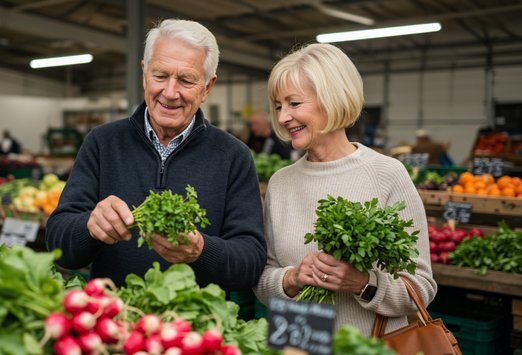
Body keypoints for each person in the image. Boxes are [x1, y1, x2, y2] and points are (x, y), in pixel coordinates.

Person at [45, 19, 266, 291]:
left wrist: (201, 251)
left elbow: (251, 263)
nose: (170, 92)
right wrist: (89, 227)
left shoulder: (234, 156)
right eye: (160, 76)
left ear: (207, 87)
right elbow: (58, 243)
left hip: (195, 327)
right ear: (144, 73)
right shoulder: (102, 143)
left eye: (186, 80)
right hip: (113, 318)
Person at [252, 43, 436, 336]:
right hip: (297, 344)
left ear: (331, 98)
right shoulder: (281, 182)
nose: (283, 117)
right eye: (278, 106)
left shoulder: (386, 174)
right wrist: (292, 278)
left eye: (294, 104)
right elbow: (262, 280)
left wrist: (364, 283)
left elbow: (421, 288)